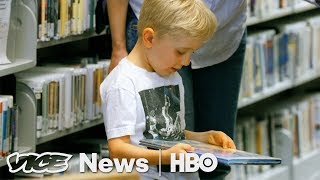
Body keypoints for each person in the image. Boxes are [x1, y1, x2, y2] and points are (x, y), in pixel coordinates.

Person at [107, 1, 246, 178]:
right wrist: (163, 157)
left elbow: (168, 132)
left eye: (192, 53)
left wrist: (204, 138)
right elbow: (117, 151)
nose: (186, 62)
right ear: (149, 38)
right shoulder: (122, 84)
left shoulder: (172, 77)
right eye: (181, 52)